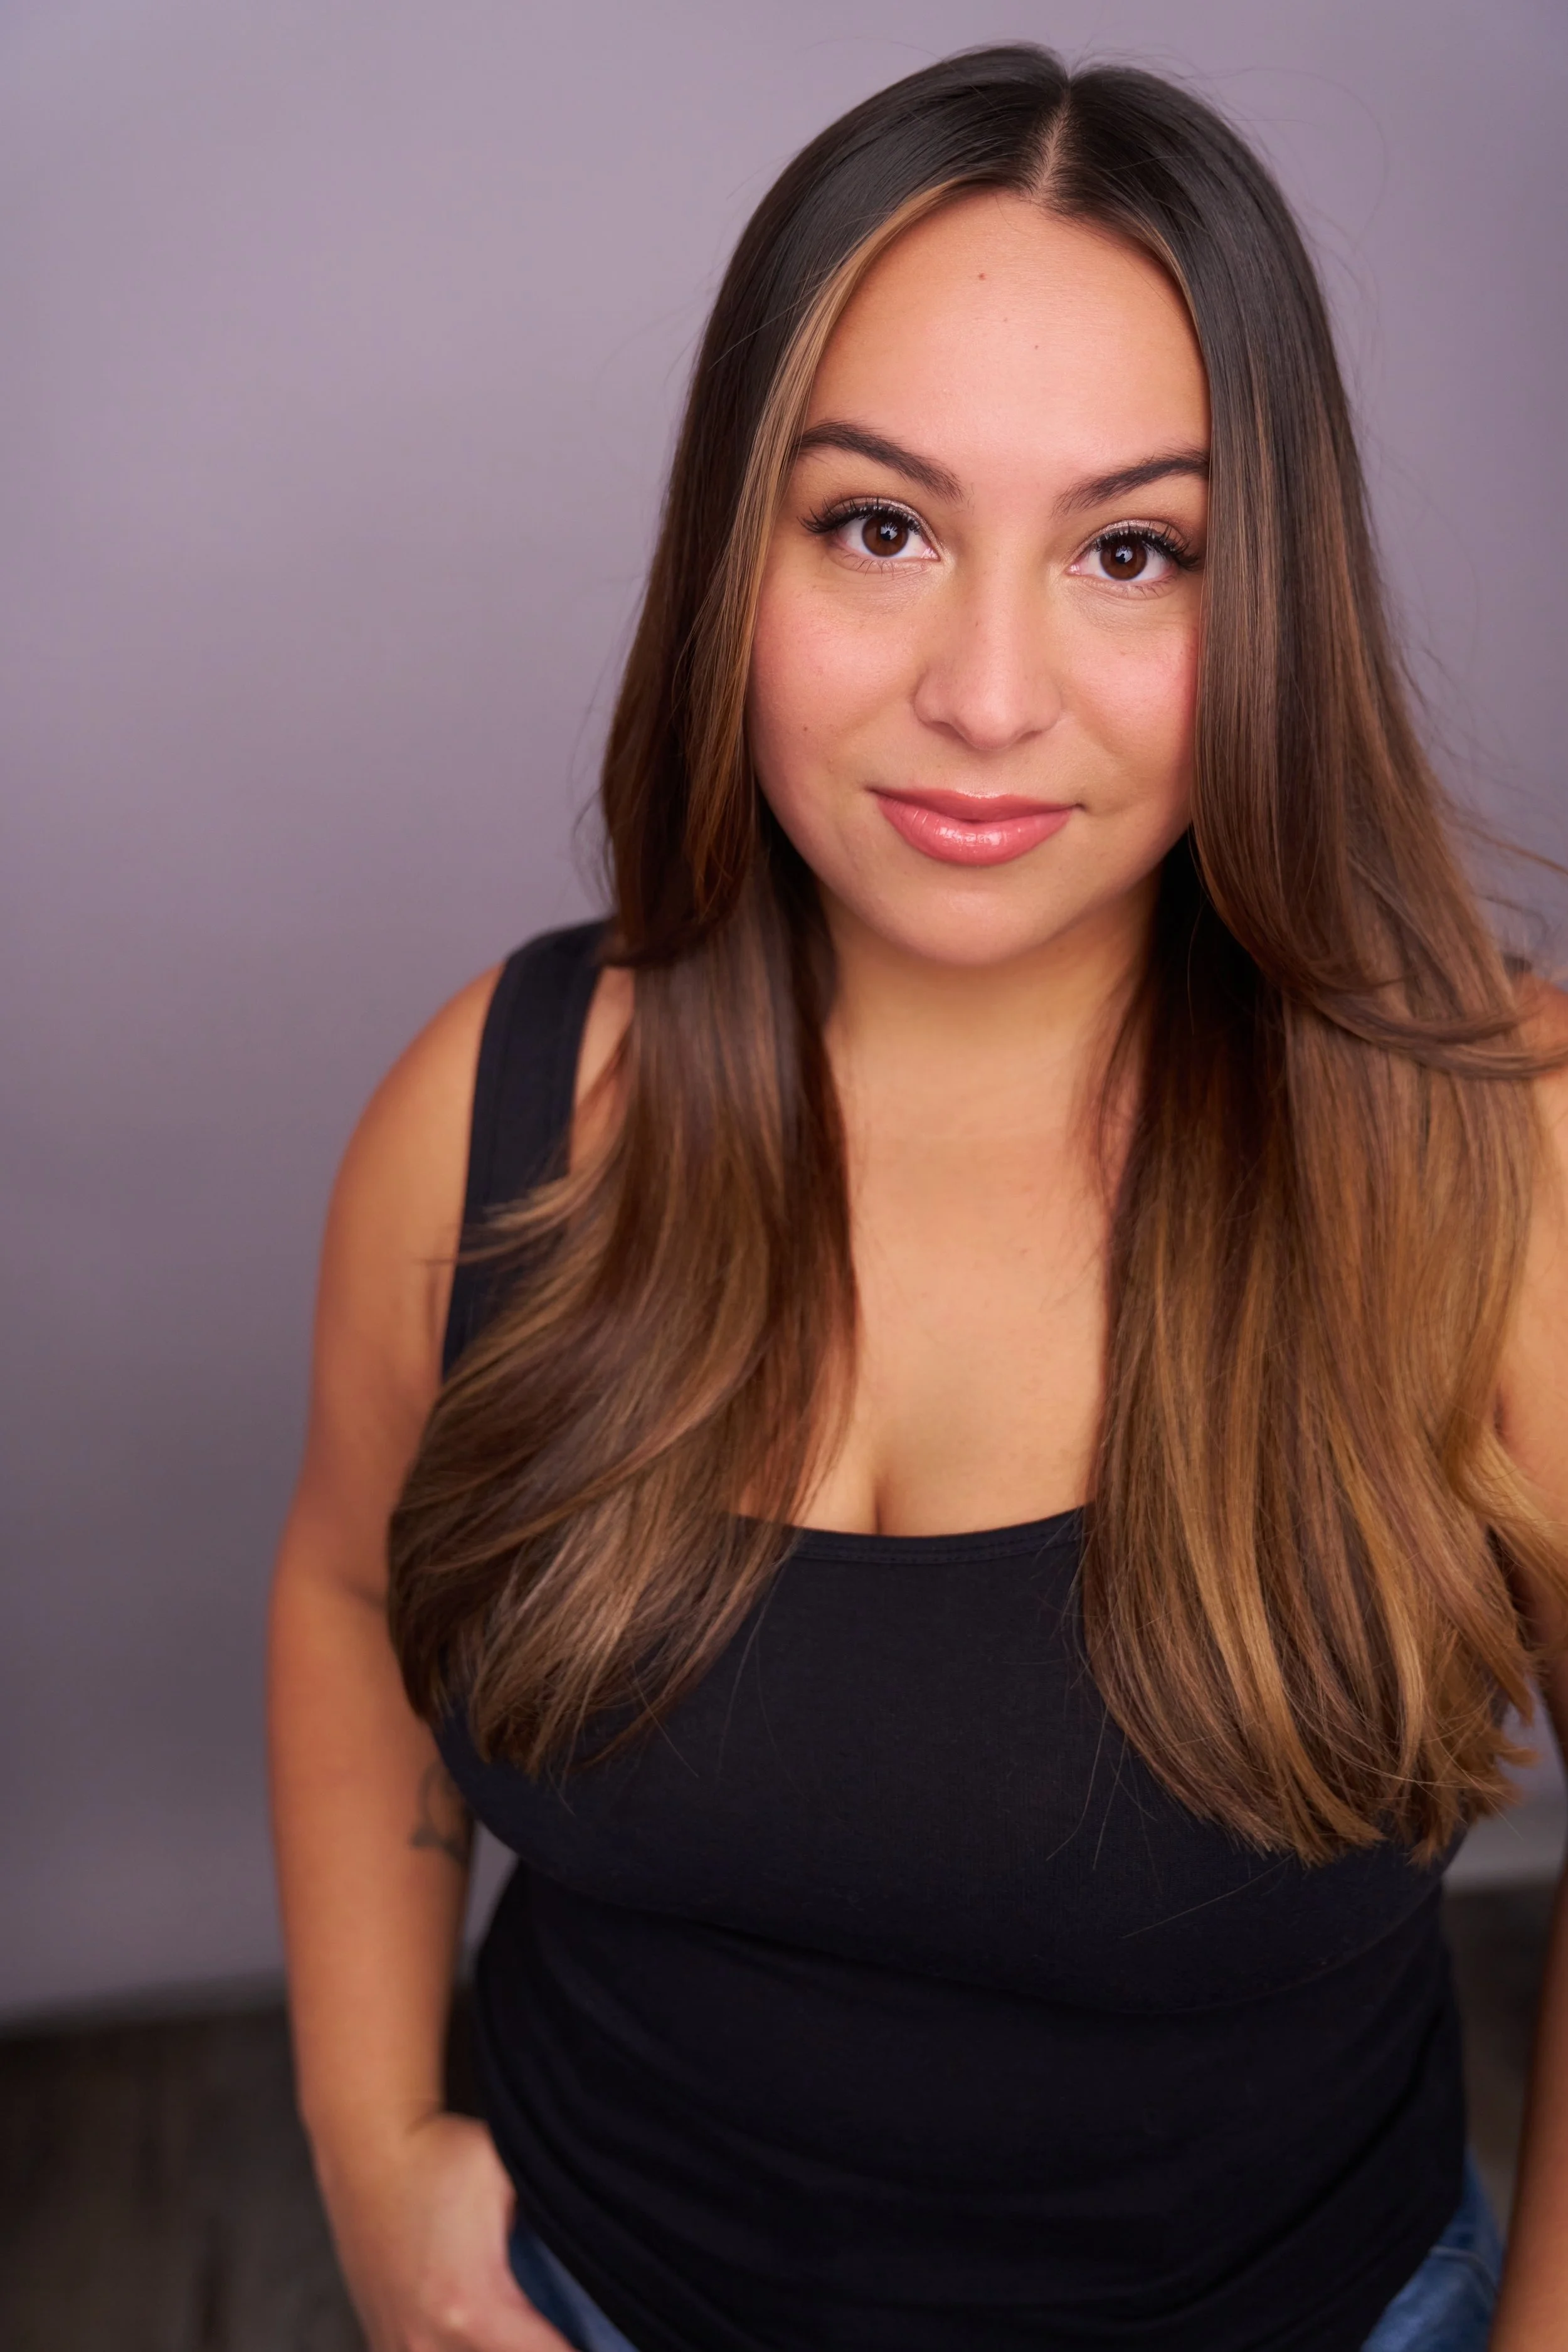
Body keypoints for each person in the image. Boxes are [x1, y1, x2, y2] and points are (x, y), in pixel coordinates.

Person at [267, 45, 1568, 2352]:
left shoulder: (1483, 1159)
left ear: (1262, 602)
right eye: (878, 525)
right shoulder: (498, 1102)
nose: (985, 692)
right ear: (731, 550)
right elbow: (353, 1584)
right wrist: (380, 2172)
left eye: (1128, 549)